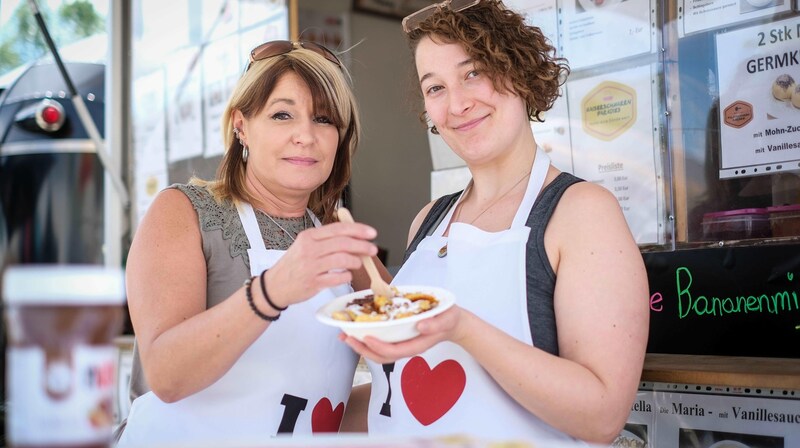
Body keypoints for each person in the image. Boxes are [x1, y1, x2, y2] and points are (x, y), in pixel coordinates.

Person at [340, 0, 649, 444]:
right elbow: (405, 393)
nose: (458, 104)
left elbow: (601, 416)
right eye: (435, 88)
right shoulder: (428, 222)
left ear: (518, 70)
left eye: (473, 73)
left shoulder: (581, 212)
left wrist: (462, 328)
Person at [116, 40, 389, 446]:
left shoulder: (340, 242)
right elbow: (168, 377)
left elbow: (339, 399)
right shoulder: (183, 212)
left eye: (324, 119)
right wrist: (272, 290)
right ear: (242, 126)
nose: (305, 136)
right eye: (282, 115)